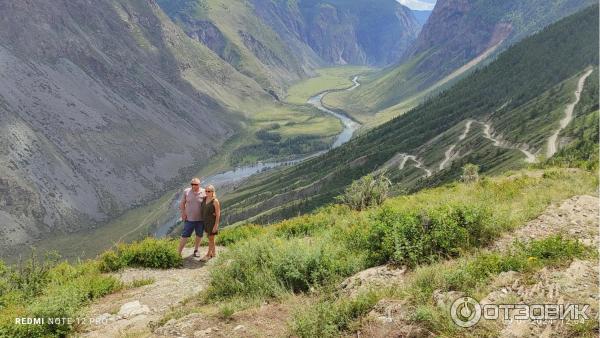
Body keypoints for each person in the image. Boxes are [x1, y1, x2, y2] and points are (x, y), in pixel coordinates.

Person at [178, 177, 206, 257]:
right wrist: (183, 213)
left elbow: (209, 202)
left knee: (199, 235)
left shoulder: (204, 192)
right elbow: (182, 203)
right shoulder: (186, 191)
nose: (194, 186)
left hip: (200, 219)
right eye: (192, 184)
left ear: (199, 185)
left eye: (196, 184)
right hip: (189, 219)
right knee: (185, 235)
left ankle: (196, 250)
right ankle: (178, 253)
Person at [200, 184, 220, 260]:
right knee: (210, 238)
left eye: (209, 191)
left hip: (212, 222)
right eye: (206, 191)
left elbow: (218, 214)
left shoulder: (215, 201)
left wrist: (216, 225)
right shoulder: (204, 199)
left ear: (213, 192)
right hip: (205, 222)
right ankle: (214, 253)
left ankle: (208, 255)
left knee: (211, 238)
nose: (207, 192)